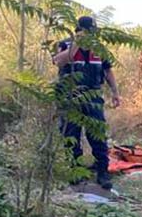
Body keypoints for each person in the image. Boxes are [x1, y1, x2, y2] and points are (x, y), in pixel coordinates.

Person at [52, 16, 122, 190]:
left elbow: (107, 70)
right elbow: (59, 61)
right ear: (79, 30)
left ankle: (102, 171)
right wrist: (78, 42)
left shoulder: (98, 48)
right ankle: (75, 169)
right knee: (71, 133)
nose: (91, 35)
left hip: (93, 96)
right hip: (70, 95)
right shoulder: (65, 44)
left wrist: (115, 92)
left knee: (97, 132)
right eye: (88, 32)